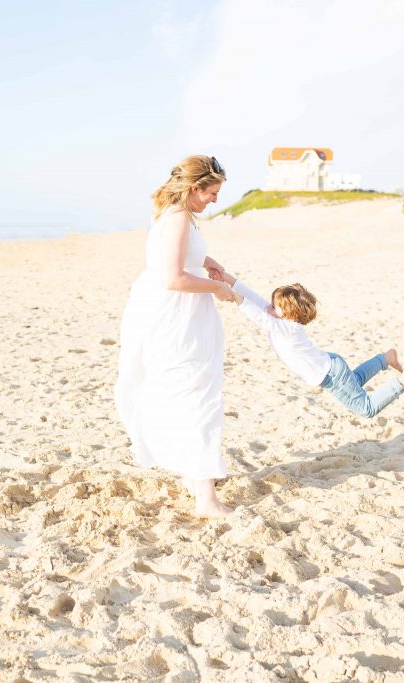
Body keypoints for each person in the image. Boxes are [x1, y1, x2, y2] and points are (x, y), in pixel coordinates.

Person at [115, 155, 237, 518]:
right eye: (212, 192)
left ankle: (194, 474)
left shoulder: (180, 217)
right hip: (175, 316)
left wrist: (208, 262)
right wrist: (216, 287)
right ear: (195, 189)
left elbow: (183, 258)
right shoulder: (179, 218)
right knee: (195, 395)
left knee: (190, 390)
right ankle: (206, 500)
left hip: (177, 312)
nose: (215, 199)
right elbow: (172, 277)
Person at [215, 271, 404, 419]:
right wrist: (226, 278)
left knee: (366, 409)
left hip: (331, 374)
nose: (269, 308)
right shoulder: (282, 320)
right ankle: (386, 358)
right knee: (354, 380)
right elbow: (253, 297)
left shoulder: (288, 329)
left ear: (289, 314)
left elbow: (258, 316)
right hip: (332, 367)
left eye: (275, 307)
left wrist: (234, 298)